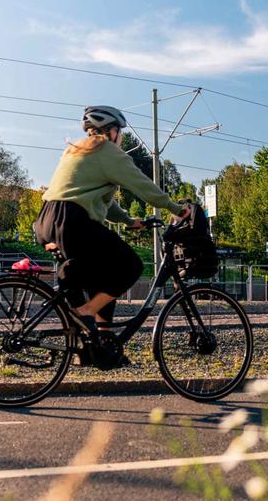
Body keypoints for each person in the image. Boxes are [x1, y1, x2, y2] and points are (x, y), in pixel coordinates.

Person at [34, 105, 190, 341]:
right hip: (73, 221)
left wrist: (128, 220)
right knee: (130, 265)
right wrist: (177, 208)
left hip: (46, 220)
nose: (122, 137)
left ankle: (100, 342)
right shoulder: (107, 151)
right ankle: (84, 312)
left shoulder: (76, 151)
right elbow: (143, 185)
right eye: (120, 132)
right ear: (111, 131)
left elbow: (103, 203)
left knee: (103, 275)